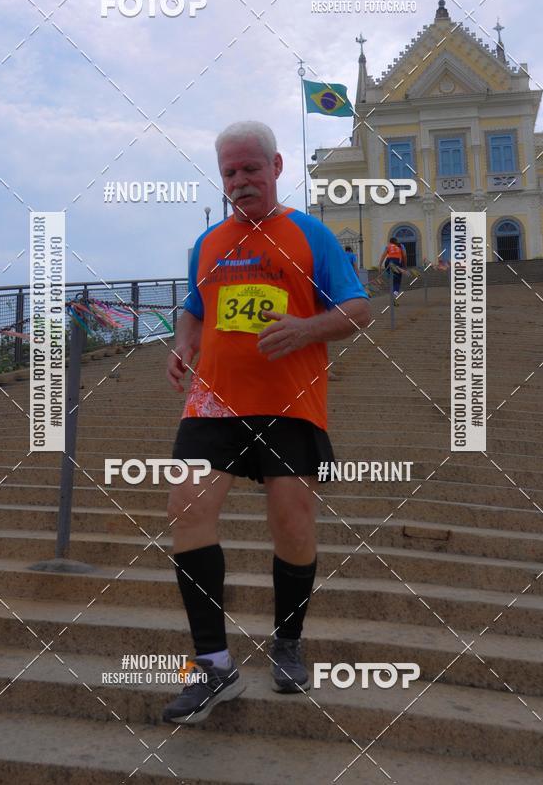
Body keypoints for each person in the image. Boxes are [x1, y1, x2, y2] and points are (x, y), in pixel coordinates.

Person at [163, 120, 370, 724]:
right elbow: (194, 308)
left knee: (293, 527)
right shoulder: (209, 242)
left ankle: (287, 641)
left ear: (276, 167)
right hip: (214, 401)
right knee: (186, 511)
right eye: (229, 171)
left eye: (250, 168)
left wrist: (307, 328)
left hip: (290, 401)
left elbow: (357, 307)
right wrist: (183, 345)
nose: (239, 181)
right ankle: (213, 665)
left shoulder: (311, 235)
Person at [379, 236, 407, 304]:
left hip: (388, 262)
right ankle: (395, 295)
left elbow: (383, 255)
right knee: (397, 282)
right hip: (397, 262)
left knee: (392, 279)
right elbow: (405, 256)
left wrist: (380, 265)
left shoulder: (388, 246)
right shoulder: (401, 246)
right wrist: (405, 266)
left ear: (390, 242)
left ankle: (389, 276)